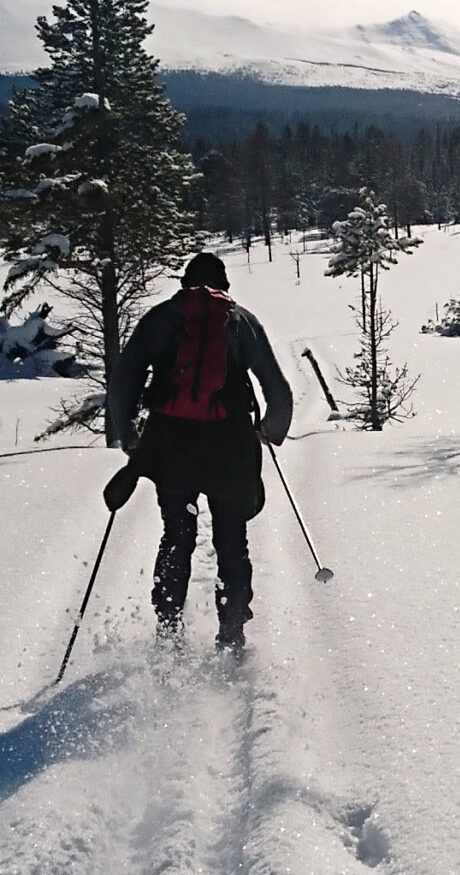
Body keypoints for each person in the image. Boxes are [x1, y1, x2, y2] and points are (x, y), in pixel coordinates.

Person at [103, 251, 294, 648]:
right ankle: (232, 633)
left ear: (184, 283)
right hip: (229, 445)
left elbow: (124, 381)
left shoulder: (160, 319)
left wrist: (129, 435)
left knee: (176, 534)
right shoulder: (241, 321)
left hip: (171, 445)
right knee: (231, 538)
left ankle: (169, 629)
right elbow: (278, 387)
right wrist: (269, 429)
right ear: (224, 285)